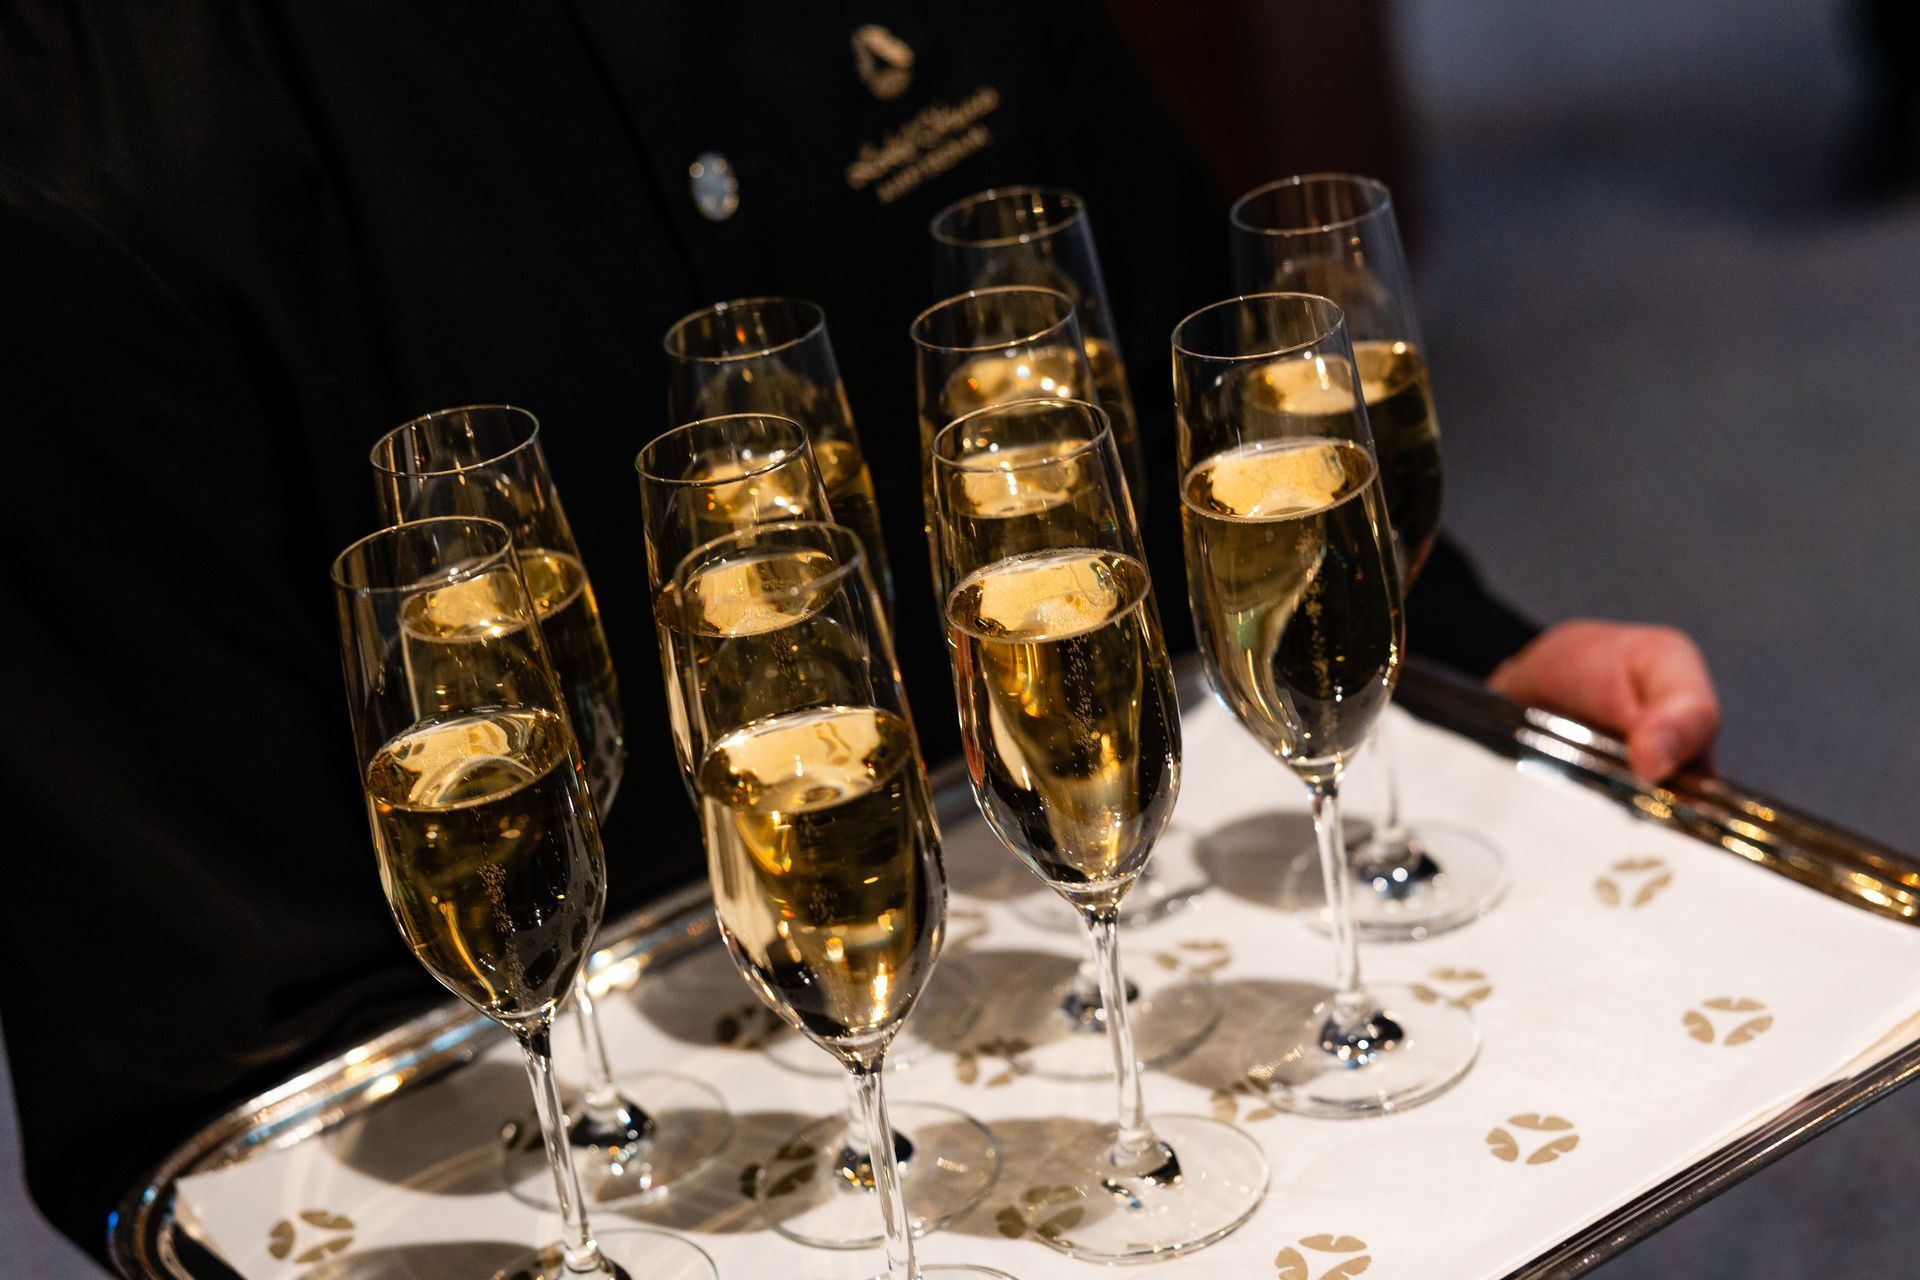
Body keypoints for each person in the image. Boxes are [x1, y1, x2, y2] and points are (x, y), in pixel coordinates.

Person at [0, 0, 1717, 1258]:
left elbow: (1212, 364)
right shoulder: (94, 150)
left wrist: (1463, 657)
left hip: (1097, 997)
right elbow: (209, 1097)